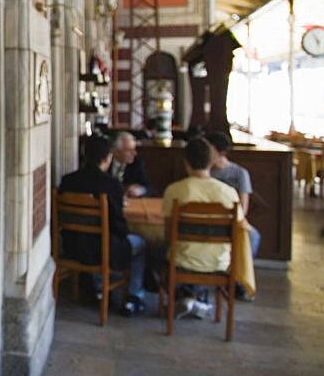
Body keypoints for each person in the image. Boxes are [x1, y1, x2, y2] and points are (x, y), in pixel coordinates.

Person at [60, 136, 148, 316]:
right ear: (108, 157)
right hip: (103, 250)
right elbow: (119, 227)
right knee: (141, 244)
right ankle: (133, 296)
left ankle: (97, 286)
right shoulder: (111, 185)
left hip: (70, 246)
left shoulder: (68, 180)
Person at [162, 138, 243, 317]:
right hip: (220, 262)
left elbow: (169, 235)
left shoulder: (174, 191)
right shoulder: (229, 193)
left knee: (153, 250)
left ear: (185, 163)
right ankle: (195, 298)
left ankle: (183, 296)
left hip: (182, 260)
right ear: (211, 162)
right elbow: (238, 230)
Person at [207, 132, 260, 301]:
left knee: (253, 236)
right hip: (208, 220)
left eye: (210, 150)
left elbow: (243, 208)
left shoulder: (239, 173)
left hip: (233, 220)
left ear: (221, 153)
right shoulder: (205, 172)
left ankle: (238, 280)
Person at [109, 131, 153, 197]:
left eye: (134, 149)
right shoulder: (106, 161)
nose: (135, 153)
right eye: (129, 150)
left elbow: (149, 189)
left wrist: (139, 190)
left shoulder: (137, 163)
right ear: (116, 152)